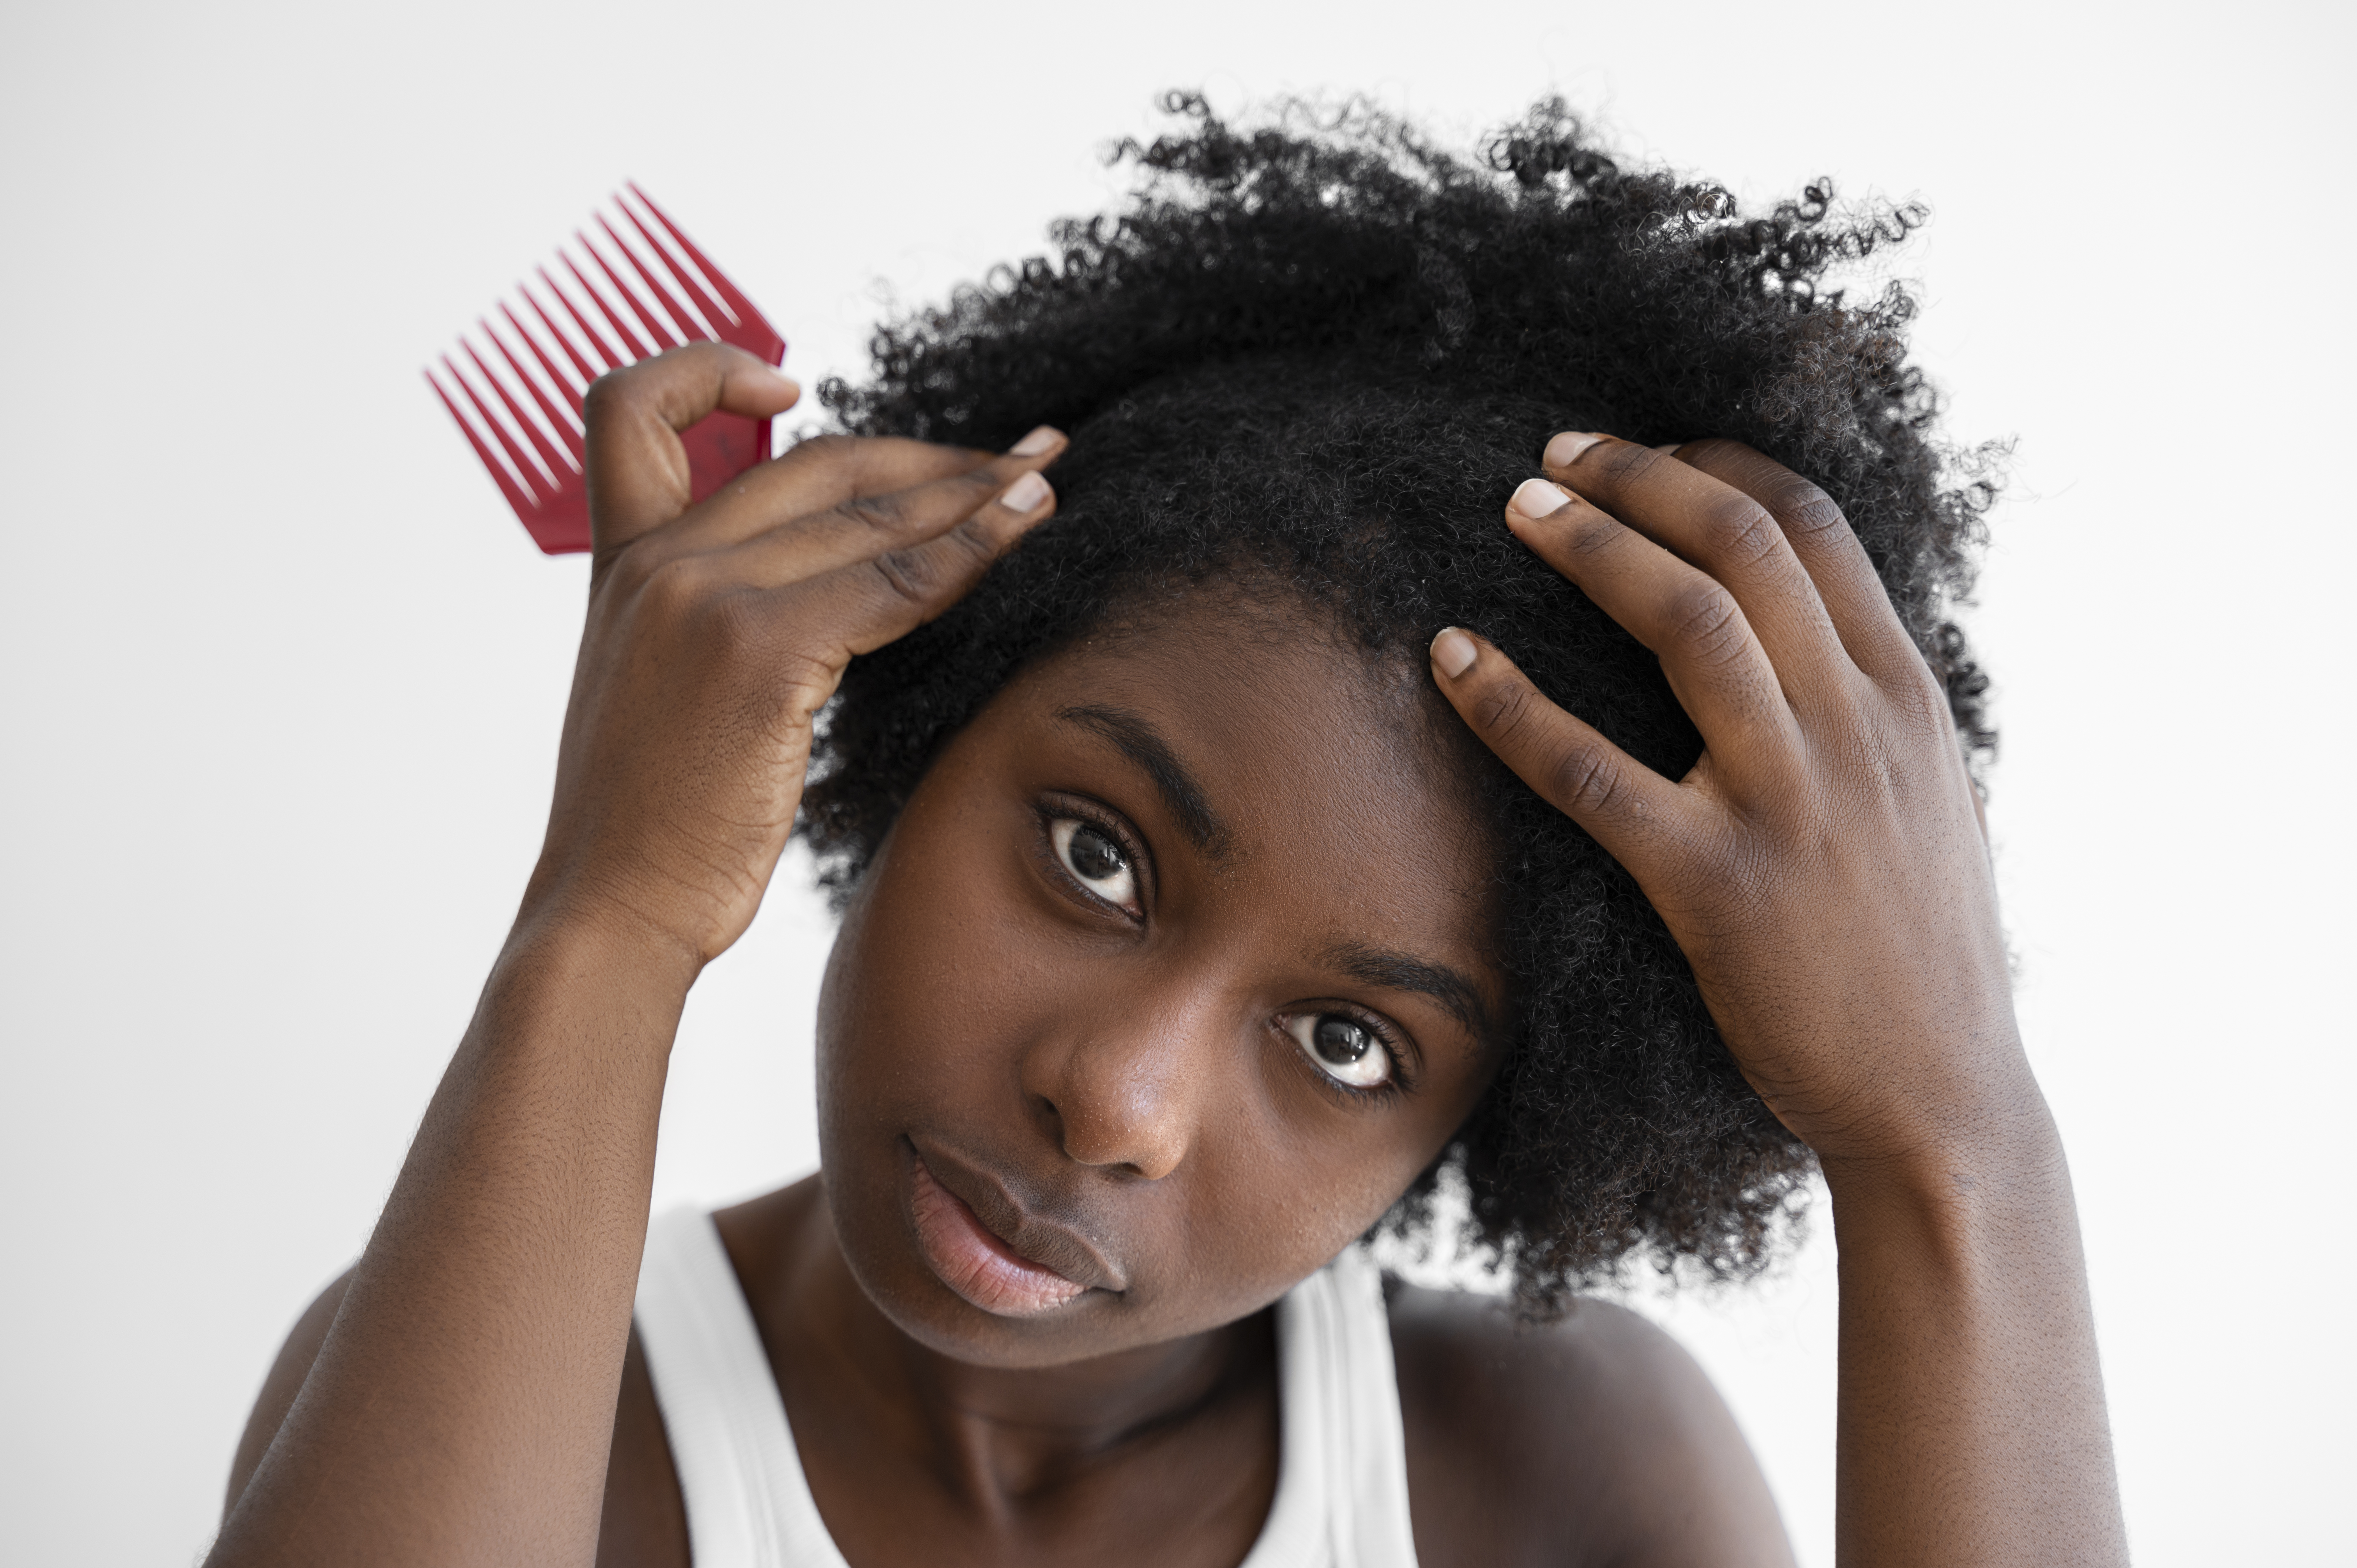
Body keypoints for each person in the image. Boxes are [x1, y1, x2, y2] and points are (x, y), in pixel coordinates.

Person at [208, 98, 2127, 1566]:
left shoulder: (1548, 1483)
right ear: (916, 702)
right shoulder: (517, 1418)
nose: (1119, 1097)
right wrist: (609, 915)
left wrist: (1951, 1141)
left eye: (1350, 1042)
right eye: (1098, 855)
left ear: (1489, 1117)